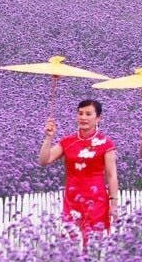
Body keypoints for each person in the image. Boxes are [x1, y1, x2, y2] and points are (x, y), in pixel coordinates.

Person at [39, 99, 118, 245]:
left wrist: (114, 203)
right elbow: (44, 160)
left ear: (98, 118)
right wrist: (48, 138)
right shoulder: (68, 141)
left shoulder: (106, 143)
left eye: (88, 114)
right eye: (80, 113)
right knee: (71, 241)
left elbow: (112, 175)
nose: (83, 117)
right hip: (72, 199)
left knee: (94, 242)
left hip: (96, 201)